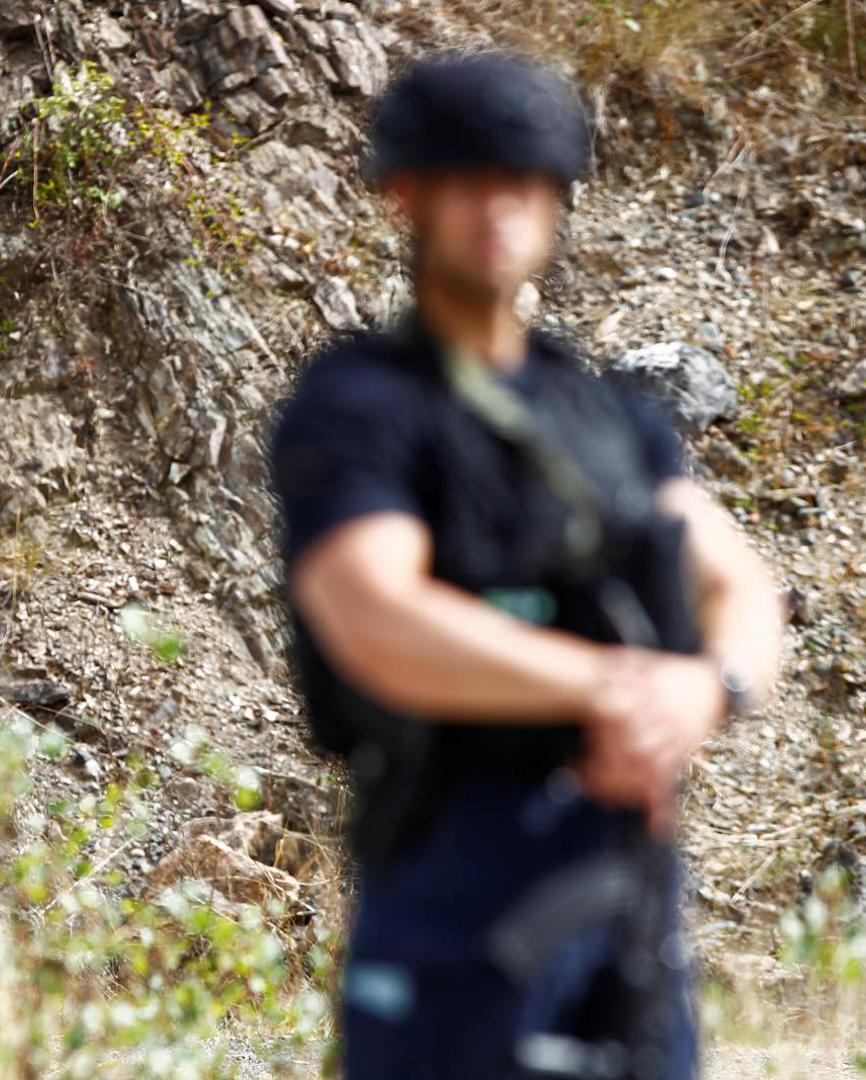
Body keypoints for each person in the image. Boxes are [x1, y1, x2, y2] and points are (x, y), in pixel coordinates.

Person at [271, 54, 785, 1079]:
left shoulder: (608, 418)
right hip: (456, 861)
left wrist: (708, 689)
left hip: (623, 885)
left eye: (526, 180)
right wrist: (614, 689)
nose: (499, 207)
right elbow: (371, 610)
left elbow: (743, 587)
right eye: (468, 179)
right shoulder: (363, 404)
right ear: (406, 196)